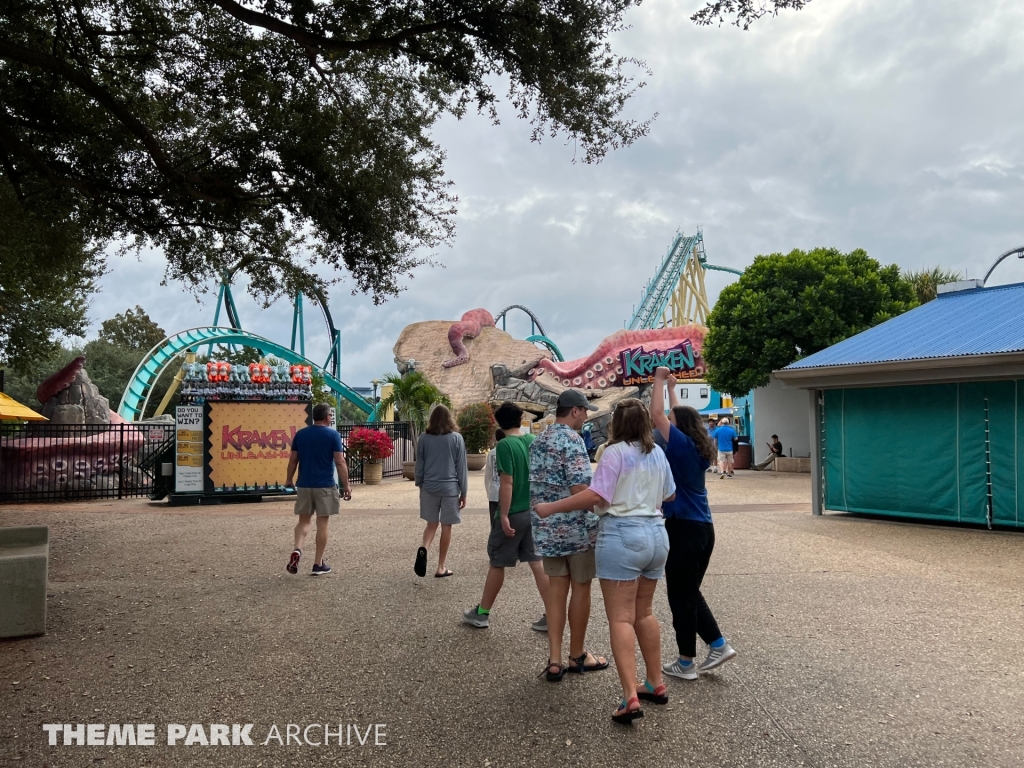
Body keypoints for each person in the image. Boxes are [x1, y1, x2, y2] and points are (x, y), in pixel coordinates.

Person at [536, 398, 675, 725]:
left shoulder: (614, 453)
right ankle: (655, 682)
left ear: (617, 424)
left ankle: (629, 697)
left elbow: (597, 496)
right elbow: (669, 494)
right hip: (657, 535)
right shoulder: (657, 452)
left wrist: (551, 508)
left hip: (623, 536)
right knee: (645, 612)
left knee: (621, 618)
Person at [650, 367, 737, 683]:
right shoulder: (696, 445)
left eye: (671, 421)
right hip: (702, 529)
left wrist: (659, 380)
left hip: (684, 529)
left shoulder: (682, 446)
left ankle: (697, 655)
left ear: (678, 427)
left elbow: (657, 414)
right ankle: (709, 648)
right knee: (687, 593)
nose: (666, 423)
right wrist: (673, 389)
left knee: (682, 596)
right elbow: (678, 414)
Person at [529, 389, 609, 682]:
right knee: (581, 587)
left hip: (547, 530)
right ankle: (577, 655)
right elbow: (580, 489)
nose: (586, 416)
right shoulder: (573, 440)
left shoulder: (538, 441)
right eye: (585, 411)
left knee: (556, 590)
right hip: (576, 530)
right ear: (575, 410)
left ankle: (554, 659)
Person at [464, 401, 549, 631]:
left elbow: (507, 482)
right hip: (532, 511)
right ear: (520, 419)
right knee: (537, 562)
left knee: (497, 563)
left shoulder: (504, 445)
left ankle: (482, 613)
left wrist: (503, 514)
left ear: (499, 422)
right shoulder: (532, 441)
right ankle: (553, 613)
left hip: (514, 511)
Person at [285, 403, 352, 576]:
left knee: (303, 521)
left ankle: (298, 548)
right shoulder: (332, 435)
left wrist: (289, 479)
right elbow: (340, 461)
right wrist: (346, 485)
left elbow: (293, 459)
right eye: (330, 415)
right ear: (327, 417)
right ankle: (318, 563)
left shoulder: (301, 434)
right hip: (325, 485)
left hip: (304, 484)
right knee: (322, 524)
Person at [414, 404, 468, 578]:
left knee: (431, 524)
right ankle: (441, 567)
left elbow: (419, 464)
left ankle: (424, 547)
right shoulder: (456, 438)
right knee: (446, 526)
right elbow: (461, 467)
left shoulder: (424, 438)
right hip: (449, 488)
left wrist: (420, 483)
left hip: (429, 487)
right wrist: (464, 492)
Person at [483, 427, 505, 517]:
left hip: (494, 491)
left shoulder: (491, 453)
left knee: (494, 519)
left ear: (496, 438)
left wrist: (488, 490)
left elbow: (487, 474)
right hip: (507, 492)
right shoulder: (508, 451)